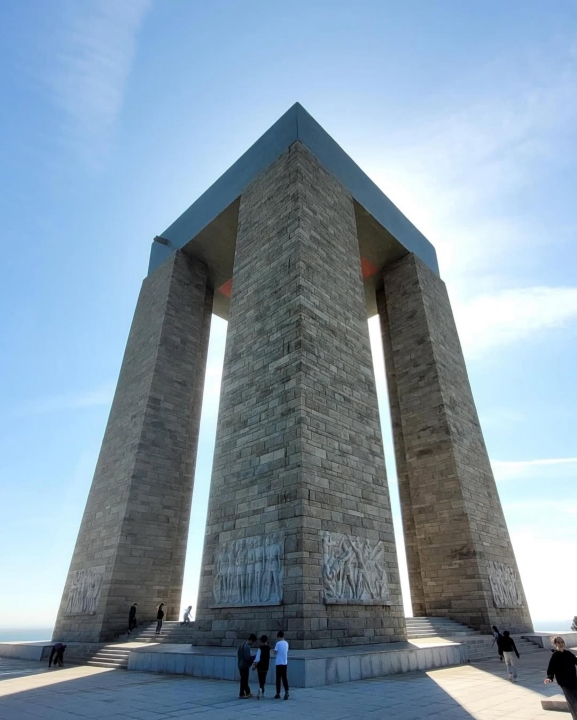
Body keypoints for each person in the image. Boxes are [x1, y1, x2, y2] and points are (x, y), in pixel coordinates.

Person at [545, 636, 577, 720]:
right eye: (558, 642)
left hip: (574, 681)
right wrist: (549, 678)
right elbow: (551, 669)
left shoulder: (568, 654)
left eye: (562, 642)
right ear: (555, 644)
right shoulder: (555, 656)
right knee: (573, 703)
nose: (561, 644)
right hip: (565, 684)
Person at [237, 633, 257, 698]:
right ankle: (241, 694)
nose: (253, 644)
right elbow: (247, 658)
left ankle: (247, 692)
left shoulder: (243, 644)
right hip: (244, 665)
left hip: (241, 664)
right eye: (253, 642)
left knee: (245, 679)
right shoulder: (246, 647)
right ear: (251, 640)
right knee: (243, 679)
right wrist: (255, 657)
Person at [252, 635, 271, 699]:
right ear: (267, 640)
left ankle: (260, 689)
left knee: (260, 678)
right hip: (266, 665)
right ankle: (262, 691)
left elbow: (257, 657)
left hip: (260, 666)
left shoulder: (260, 648)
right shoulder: (268, 648)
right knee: (264, 678)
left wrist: (254, 664)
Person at [274, 630, 289, 700]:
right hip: (285, 662)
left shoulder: (278, 643)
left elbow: (275, 652)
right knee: (284, 678)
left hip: (279, 663)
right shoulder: (286, 643)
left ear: (279, 636)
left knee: (278, 678)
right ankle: (287, 691)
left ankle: (278, 693)